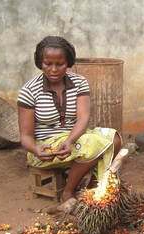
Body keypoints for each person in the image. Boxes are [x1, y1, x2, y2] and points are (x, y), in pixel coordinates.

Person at [17, 36, 121, 203]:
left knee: (114, 139)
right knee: (92, 145)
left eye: (60, 64)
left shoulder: (79, 82)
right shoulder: (29, 91)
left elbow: (83, 118)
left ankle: (94, 187)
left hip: (76, 138)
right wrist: (36, 150)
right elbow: (25, 136)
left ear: (69, 62)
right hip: (47, 149)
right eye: (47, 64)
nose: (53, 69)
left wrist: (70, 140)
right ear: (39, 63)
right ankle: (68, 192)